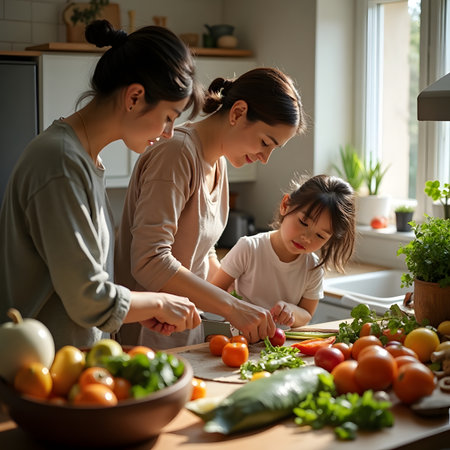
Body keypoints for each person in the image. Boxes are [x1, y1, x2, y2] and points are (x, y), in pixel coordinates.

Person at [0, 20, 204, 350]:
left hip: (72, 366)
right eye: (169, 116)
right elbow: (88, 298)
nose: (169, 133)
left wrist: (132, 311)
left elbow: (83, 290)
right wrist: (158, 303)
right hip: (38, 374)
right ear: (135, 97)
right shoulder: (61, 162)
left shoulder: (86, 160)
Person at [115, 67, 307, 349]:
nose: (265, 158)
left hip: (181, 330)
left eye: (273, 149)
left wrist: (242, 300)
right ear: (238, 113)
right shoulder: (176, 153)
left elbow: (200, 253)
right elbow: (150, 260)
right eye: (265, 142)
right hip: (146, 338)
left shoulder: (219, 162)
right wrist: (231, 307)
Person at [211, 174, 356, 328]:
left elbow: (306, 315)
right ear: (285, 205)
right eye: (303, 222)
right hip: (240, 340)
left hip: (281, 346)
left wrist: (292, 311)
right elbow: (213, 294)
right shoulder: (249, 248)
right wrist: (237, 309)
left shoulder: (313, 268)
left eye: (320, 235)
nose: (307, 238)